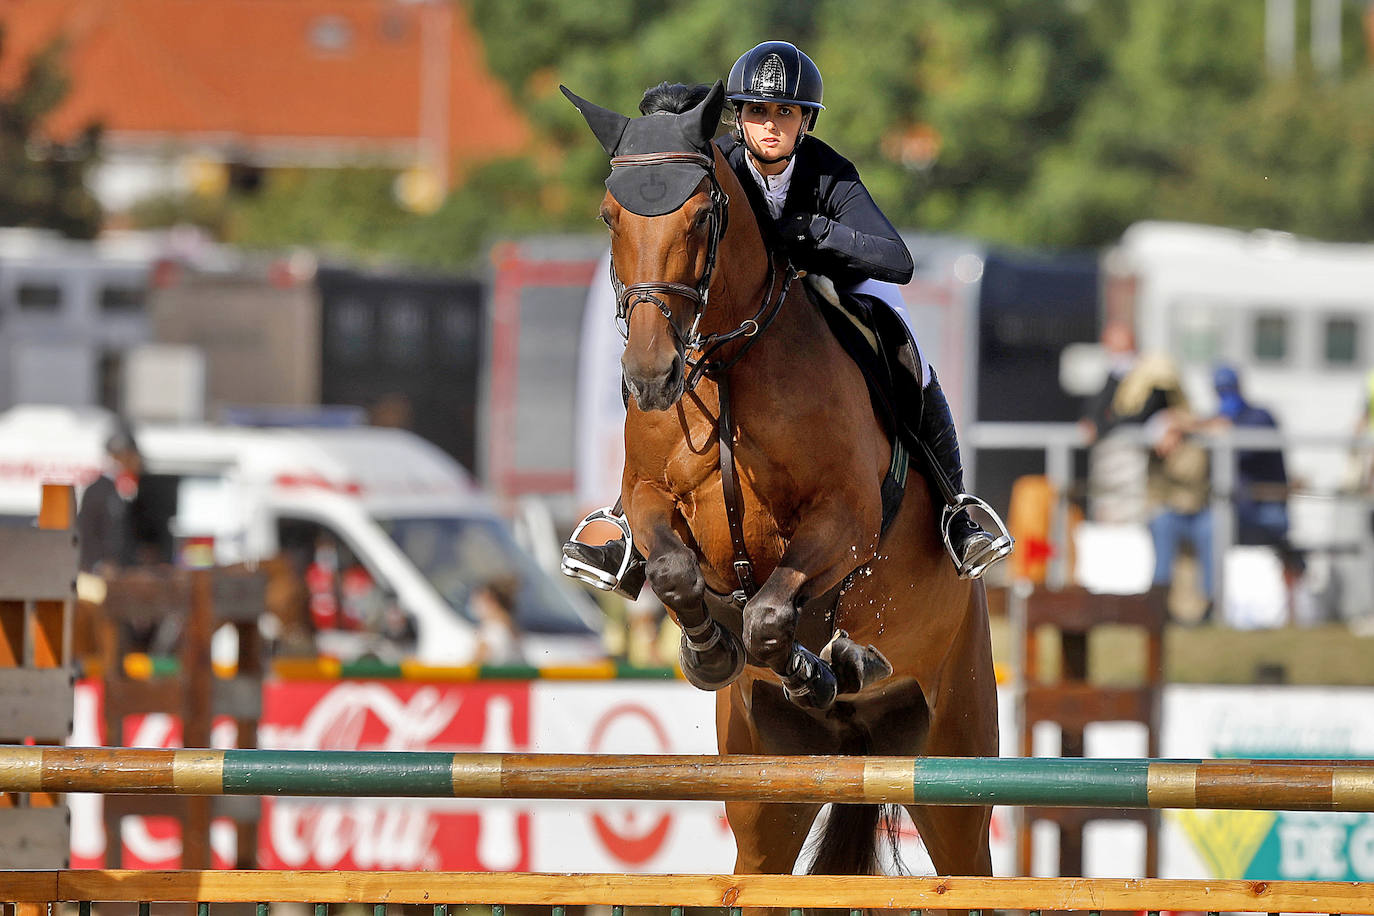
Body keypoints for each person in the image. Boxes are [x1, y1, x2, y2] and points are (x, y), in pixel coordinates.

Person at [562, 41, 1013, 592]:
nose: (770, 125)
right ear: (738, 118)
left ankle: (954, 508)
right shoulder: (719, 164)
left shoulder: (828, 171)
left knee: (905, 346)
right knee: (653, 339)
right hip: (744, 302)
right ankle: (625, 520)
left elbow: (896, 259)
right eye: (757, 111)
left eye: (785, 112)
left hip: (827, 284)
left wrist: (816, 233)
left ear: (806, 121)